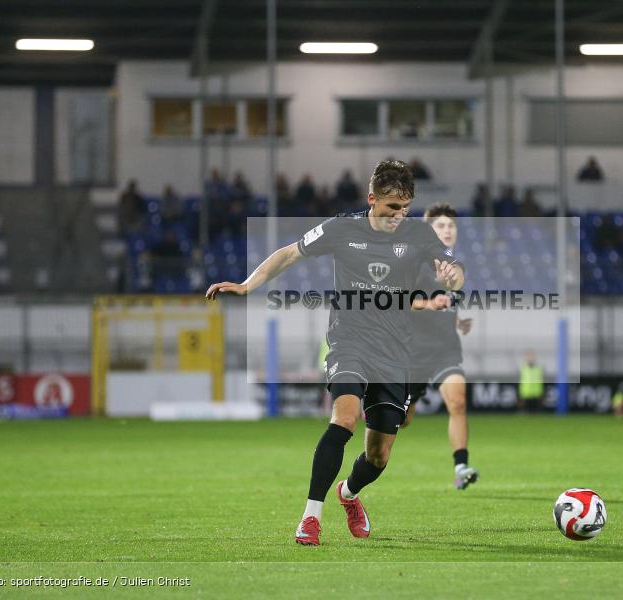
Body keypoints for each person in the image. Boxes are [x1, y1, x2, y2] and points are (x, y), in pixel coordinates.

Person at [205, 160, 464, 547]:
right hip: (349, 341)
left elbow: (454, 269)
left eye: (406, 208)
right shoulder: (342, 229)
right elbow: (288, 254)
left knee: (378, 456)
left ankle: (349, 493)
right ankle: (310, 517)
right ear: (372, 199)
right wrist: (246, 285)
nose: (399, 215)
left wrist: (452, 277)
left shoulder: (418, 233)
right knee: (344, 418)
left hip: (395, 353)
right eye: (392, 207)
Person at [405, 203, 479, 490]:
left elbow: (448, 299)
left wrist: (458, 321)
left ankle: (461, 467)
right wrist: (428, 304)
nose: (447, 230)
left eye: (451, 226)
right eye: (441, 226)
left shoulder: (455, 266)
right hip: (413, 352)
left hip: (445, 350)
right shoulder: (414, 263)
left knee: (458, 401)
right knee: (402, 420)